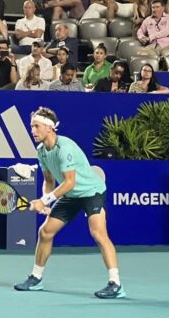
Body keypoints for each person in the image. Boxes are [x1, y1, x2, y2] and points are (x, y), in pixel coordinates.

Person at [14, 107, 124, 299]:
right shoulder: (42, 151)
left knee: (98, 234)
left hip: (91, 192)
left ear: (49, 128)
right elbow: (49, 181)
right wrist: (45, 202)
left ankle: (115, 283)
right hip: (70, 196)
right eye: (31, 126)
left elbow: (69, 182)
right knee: (45, 232)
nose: (33, 130)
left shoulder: (65, 148)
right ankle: (36, 278)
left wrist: (44, 200)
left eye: (36, 126)